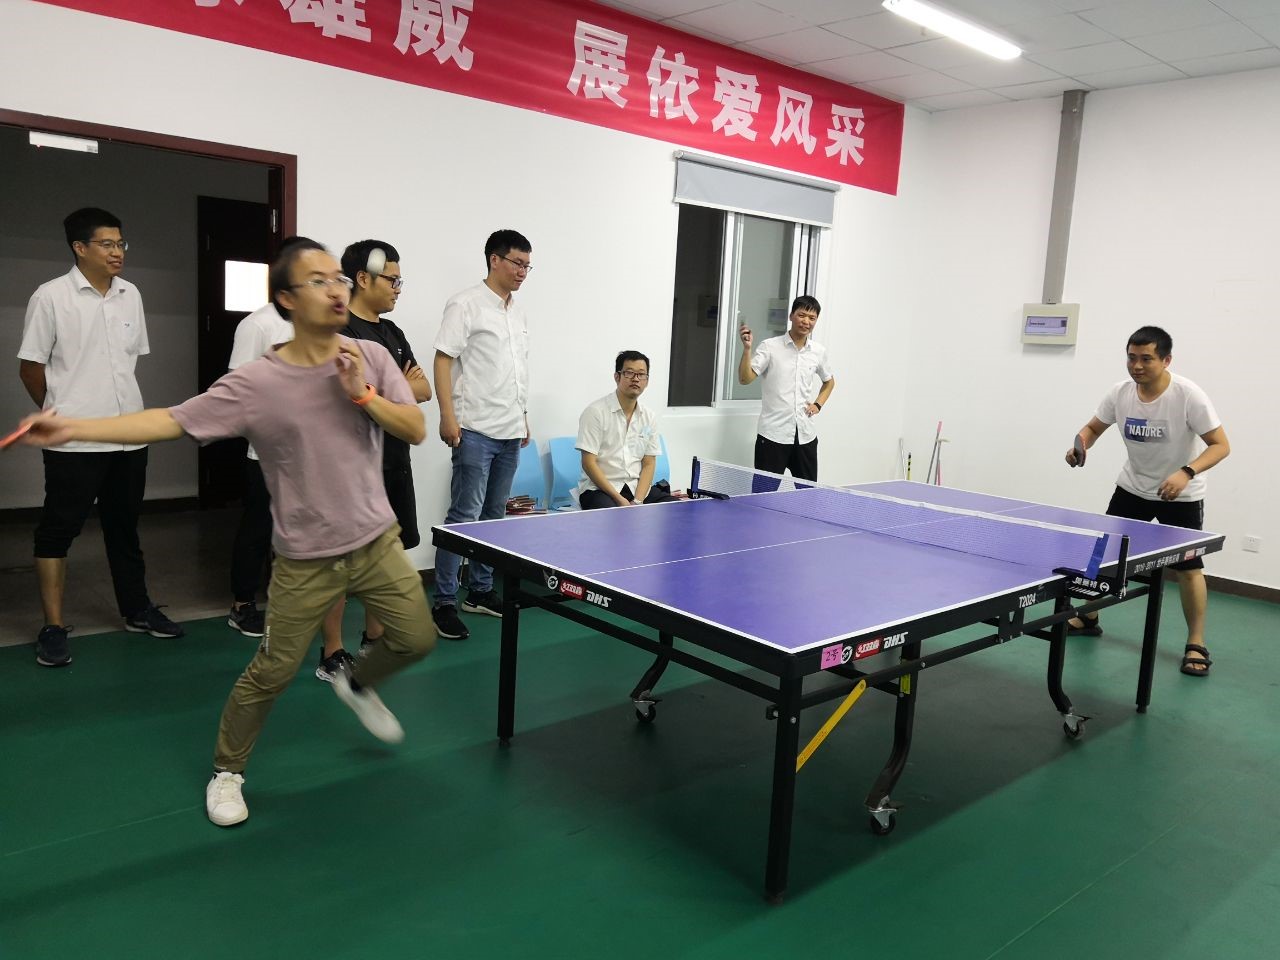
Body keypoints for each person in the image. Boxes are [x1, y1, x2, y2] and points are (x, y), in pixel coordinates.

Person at [11, 238, 437, 826]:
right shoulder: (257, 383)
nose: (336, 289)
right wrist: (74, 426)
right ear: (287, 299)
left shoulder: (370, 355)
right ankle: (227, 771)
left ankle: (358, 683)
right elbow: (170, 420)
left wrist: (362, 393)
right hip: (305, 557)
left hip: (375, 540)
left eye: (338, 277)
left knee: (416, 639)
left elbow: (414, 428)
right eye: (317, 281)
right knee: (272, 673)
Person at [16, 207, 183, 668]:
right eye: (107, 244)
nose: (117, 252)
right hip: (75, 441)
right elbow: (30, 366)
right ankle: (52, 626)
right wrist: (60, 412)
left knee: (124, 528)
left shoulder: (131, 294)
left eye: (121, 243)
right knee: (58, 530)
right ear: (80, 247)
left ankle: (137, 610)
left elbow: (128, 362)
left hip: (129, 436)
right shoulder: (51, 297)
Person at [1064, 325, 1230, 677]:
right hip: (1132, 488)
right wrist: (1080, 446)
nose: (1137, 366)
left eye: (1146, 359)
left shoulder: (1188, 396)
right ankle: (1089, 614)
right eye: (1131, 358)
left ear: (1166, 360)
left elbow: (1220, 445)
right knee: (1102, 555)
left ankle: (1196, 643)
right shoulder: (1120, 393)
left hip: (1179, 496)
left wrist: (1186, 472)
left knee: (1188, 569)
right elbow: (1092, 428)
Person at [325, 239, 431, 679]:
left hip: (393, 460)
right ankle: (332, 652)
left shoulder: (393, 333)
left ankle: (373, 638)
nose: (398, 289)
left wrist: (377, 389)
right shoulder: (338, 330)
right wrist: (395, 388)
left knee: (384, 556)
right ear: (363, 279)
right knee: (340, 564)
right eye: (393, 280)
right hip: (351, 468)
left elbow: (422, 390)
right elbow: (347, 393)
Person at [431, 229, 532, 640]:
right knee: (463, 518)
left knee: (494, 519)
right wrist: (447, 415)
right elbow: (442, 360)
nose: (523, 272)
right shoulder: (466, 304)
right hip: (474, 429)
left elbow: (515, 370)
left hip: (510, 430)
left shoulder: (517, 312)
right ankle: (443, 601)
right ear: (494, 260)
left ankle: (480, 591)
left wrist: (523, 416)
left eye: (528, 266)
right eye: (517, 263)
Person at [225, 299, 293, 639]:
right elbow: (237, 389)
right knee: (258, 527)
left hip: (308, 453)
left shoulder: (317, 322)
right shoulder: (257, 325)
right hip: (268, 452)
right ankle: (242, 605)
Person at [738, 295, 835, 483]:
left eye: (812, 318)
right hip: (773, 436)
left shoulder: (818, 352)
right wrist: (747, 349)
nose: (806, 321)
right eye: (802, 315)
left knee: (807, 494)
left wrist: (818, 404)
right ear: (791, 316)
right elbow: (745, 379)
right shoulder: (769, 347)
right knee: (763, 495)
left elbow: (829, 381)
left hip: (805, 436)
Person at [576, 350, 676, 509]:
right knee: (613, 516)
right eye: (629, 373)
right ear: (617, 377)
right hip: (600, 490)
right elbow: (588, 463)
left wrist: (637, 501)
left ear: (647, 381)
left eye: (641, 374)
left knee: (675, 509)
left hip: (636, 489)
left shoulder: (649, 416)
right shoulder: (595, 412)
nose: (636, 379)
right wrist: (619, 500)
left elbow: (649, 463)